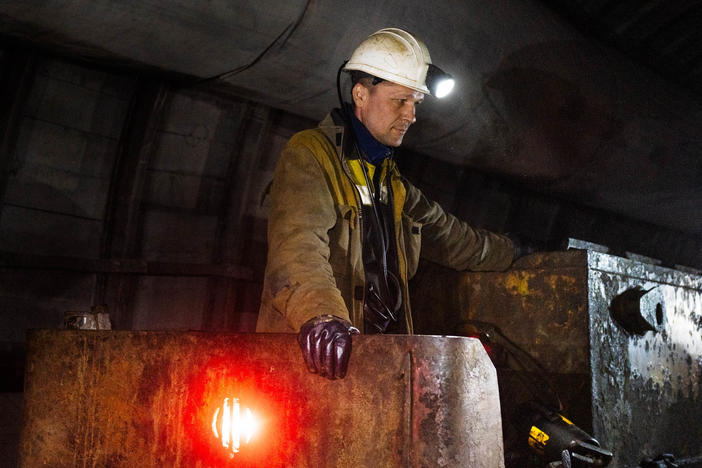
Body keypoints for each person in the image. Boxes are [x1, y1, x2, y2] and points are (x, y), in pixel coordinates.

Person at [257, 28, 518, 380]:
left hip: (374, 360)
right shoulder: (309, 155)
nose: (411, 115)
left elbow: (455, 238)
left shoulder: (391, 183)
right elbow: (297, 248)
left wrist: (512, 251)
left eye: (416, 103)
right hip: (318, 362)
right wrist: (322, 317)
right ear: (360, 94)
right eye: (400, 101)